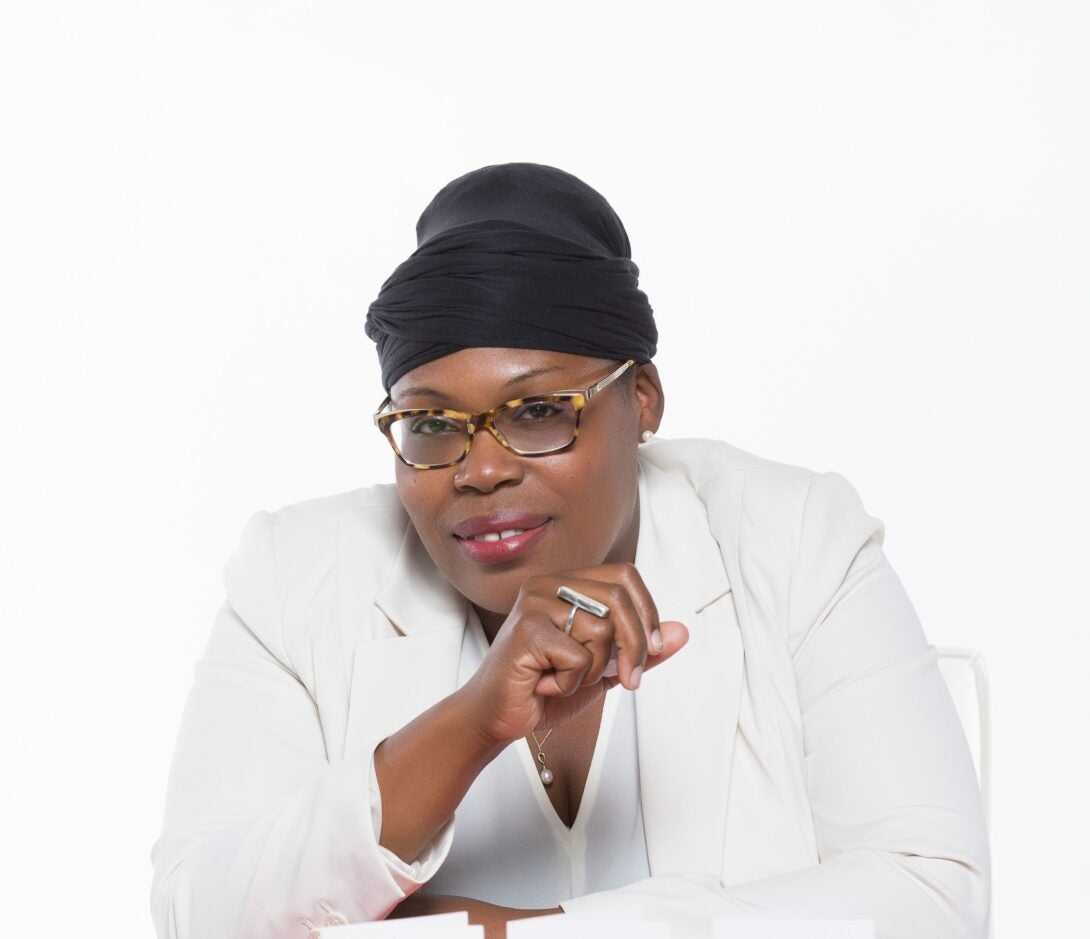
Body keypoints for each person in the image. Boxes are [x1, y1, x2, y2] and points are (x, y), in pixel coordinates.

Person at [150, 163, 990, 939]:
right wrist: (471, 723)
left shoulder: (794, 538)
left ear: (645, 399)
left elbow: (931, 894)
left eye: (540, 410)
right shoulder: (297, 574)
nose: (480, 469)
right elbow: (199, 911)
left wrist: (514, 931)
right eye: (432, 424)